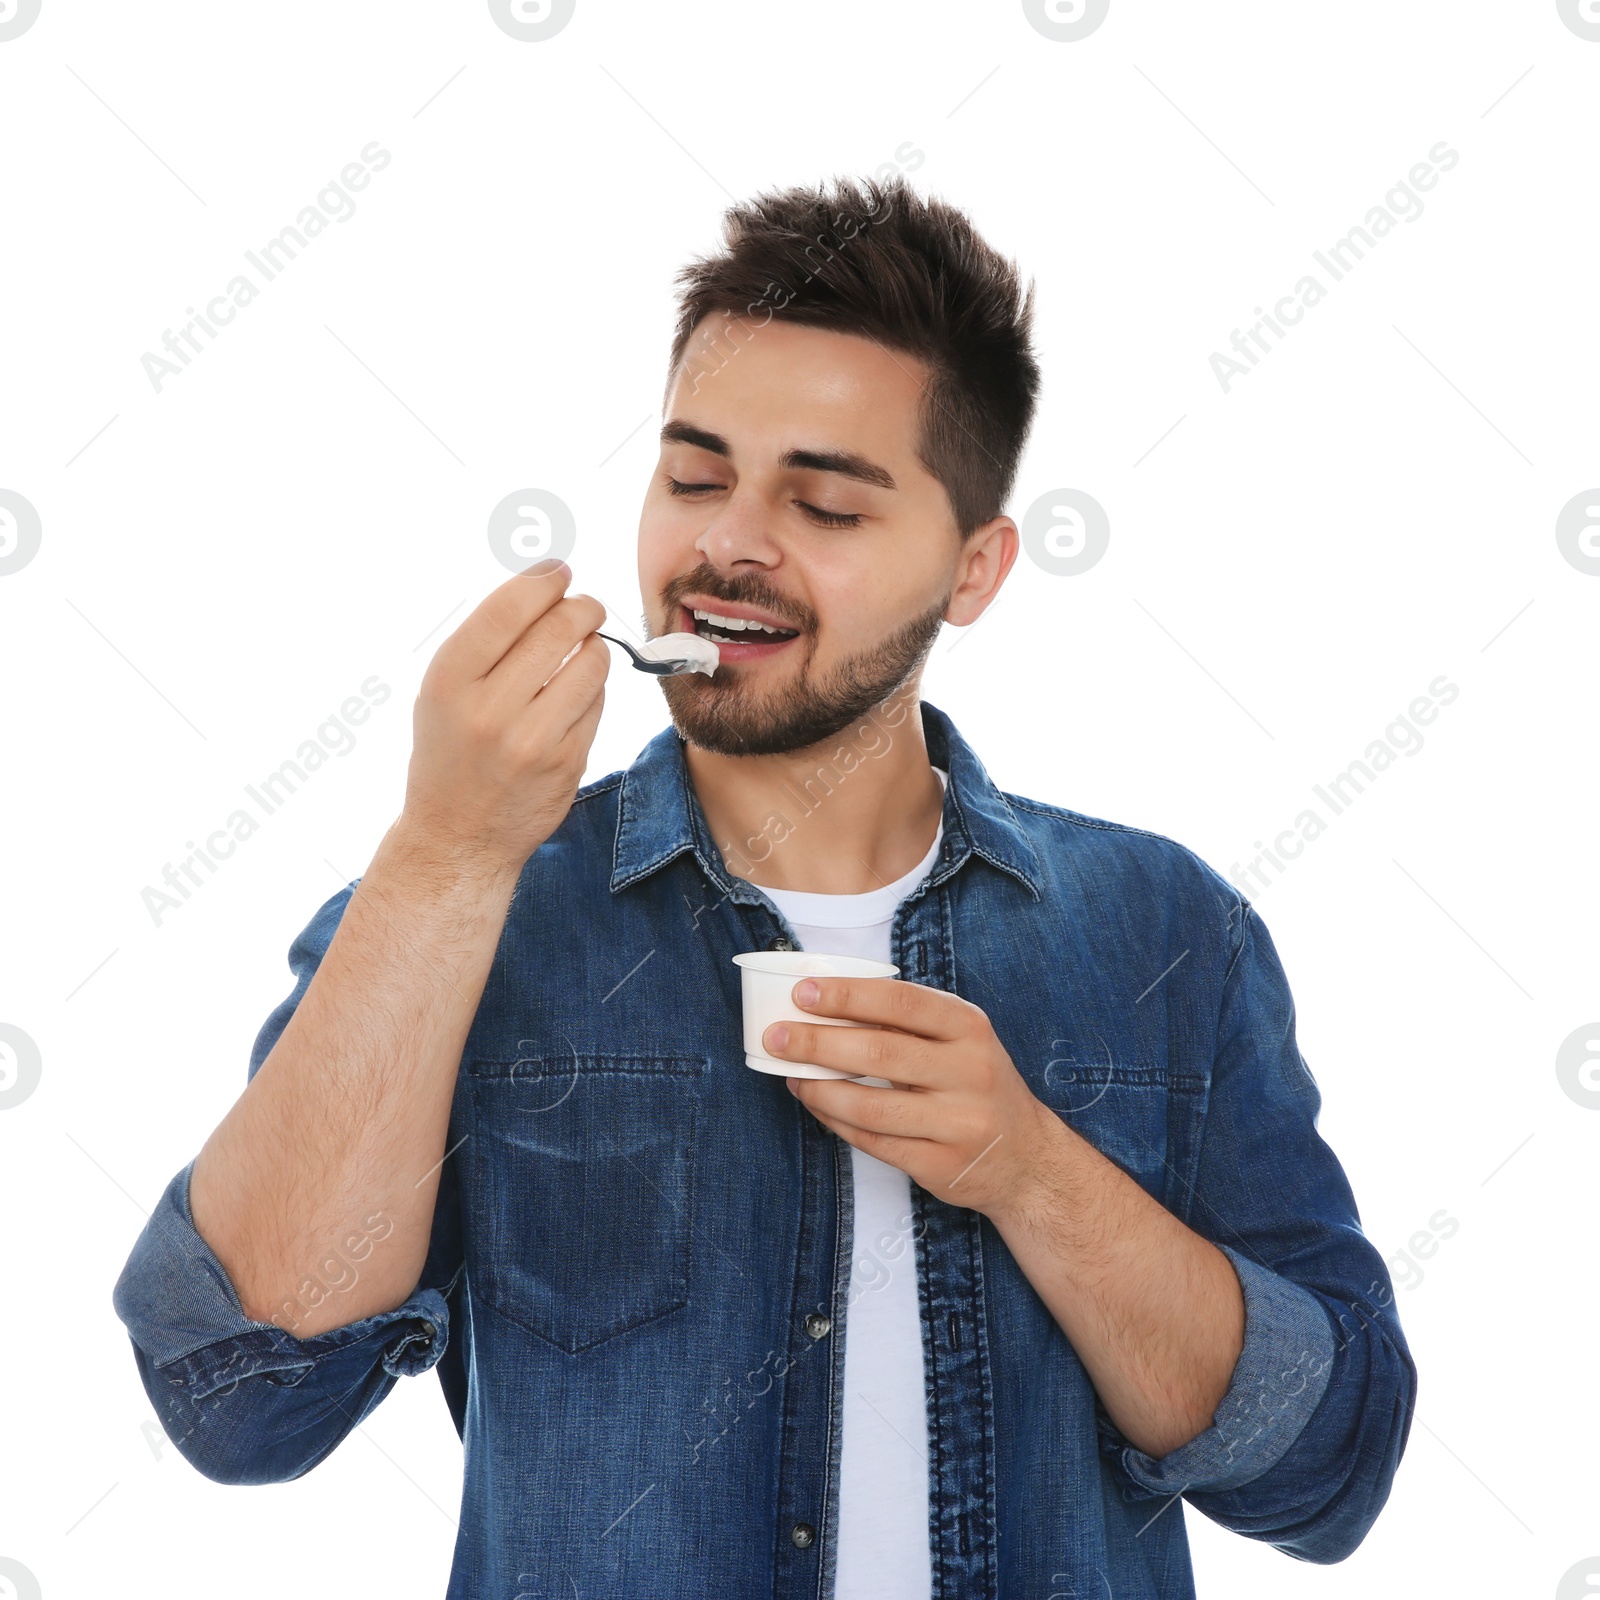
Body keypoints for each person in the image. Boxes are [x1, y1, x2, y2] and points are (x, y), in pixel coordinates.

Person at [114, 173, 1416, 1598]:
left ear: (973, 571)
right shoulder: (471, 909)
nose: (727, 542)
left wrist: (1034, 1178)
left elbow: (1327, 1474)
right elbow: (237, 1404)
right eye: (693, 477)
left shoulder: (1171, 934)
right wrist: (443, 856)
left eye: (827, 505)